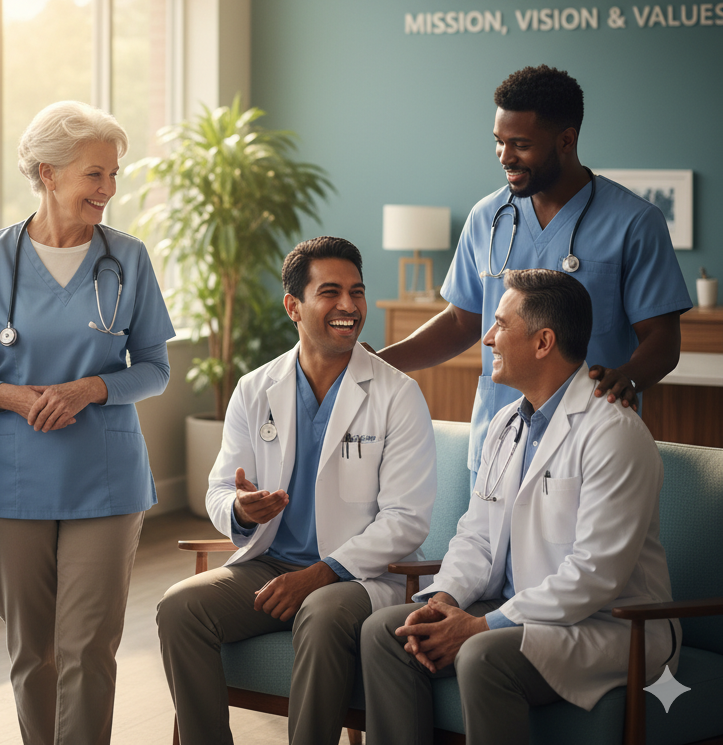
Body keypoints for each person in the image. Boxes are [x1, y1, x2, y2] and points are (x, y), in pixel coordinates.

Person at [0, 100, 174, 745]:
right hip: (13, 475)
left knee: (89, 647)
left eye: (114, 174)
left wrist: (91, 388)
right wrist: (9, 397)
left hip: (106, 476)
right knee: (32, 651)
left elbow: (155, 369)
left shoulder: (128, 259)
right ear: (48, 172)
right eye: (95, 174)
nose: (109, 189)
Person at [361, 268, 679, 745]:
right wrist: (445, 599)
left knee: (481, 654)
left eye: (501, 325)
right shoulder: (507, 422)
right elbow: (477, 536)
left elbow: (595, 575)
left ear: (543, 342)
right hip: (518, 609)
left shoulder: (614, 433)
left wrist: (481, 625)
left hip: (610, 624)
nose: (488, 337)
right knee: (386, 633)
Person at [158, 236, 436, 745]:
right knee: (180, 608)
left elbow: (407, 520)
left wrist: (320, 574)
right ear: (293, 306)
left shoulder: (398, 394)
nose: (349, 306)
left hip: (359, 576)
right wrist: (241, 510)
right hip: (270, 565)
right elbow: (219, 489)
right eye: (330, 292)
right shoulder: (255, 388)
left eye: (357, 292)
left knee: (322, 612)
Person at [376, 65, 691, 482]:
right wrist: (379, 362)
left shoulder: (634, 222)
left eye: (521, 145)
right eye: (499, 141)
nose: (505, 156)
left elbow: (663, 339)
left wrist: (628, 379)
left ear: (566, 140)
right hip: (498, 441)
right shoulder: (487, 217)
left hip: (589, 442)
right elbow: (459, 322)